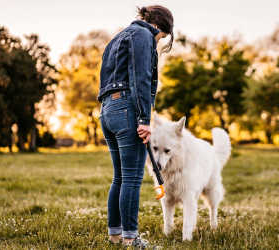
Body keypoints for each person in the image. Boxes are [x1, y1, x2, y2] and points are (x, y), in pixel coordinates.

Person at [97, 5, 174, 249]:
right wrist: (144, 120)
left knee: (119, 177)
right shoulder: (143, 36)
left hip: (107, 110)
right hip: (127, 110)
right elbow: (140, 77)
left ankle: (115, 236)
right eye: (161, 38)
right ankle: (131, 239)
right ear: (159, 28)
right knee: (131, 178)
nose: (159, 42)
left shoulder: (118, 36)